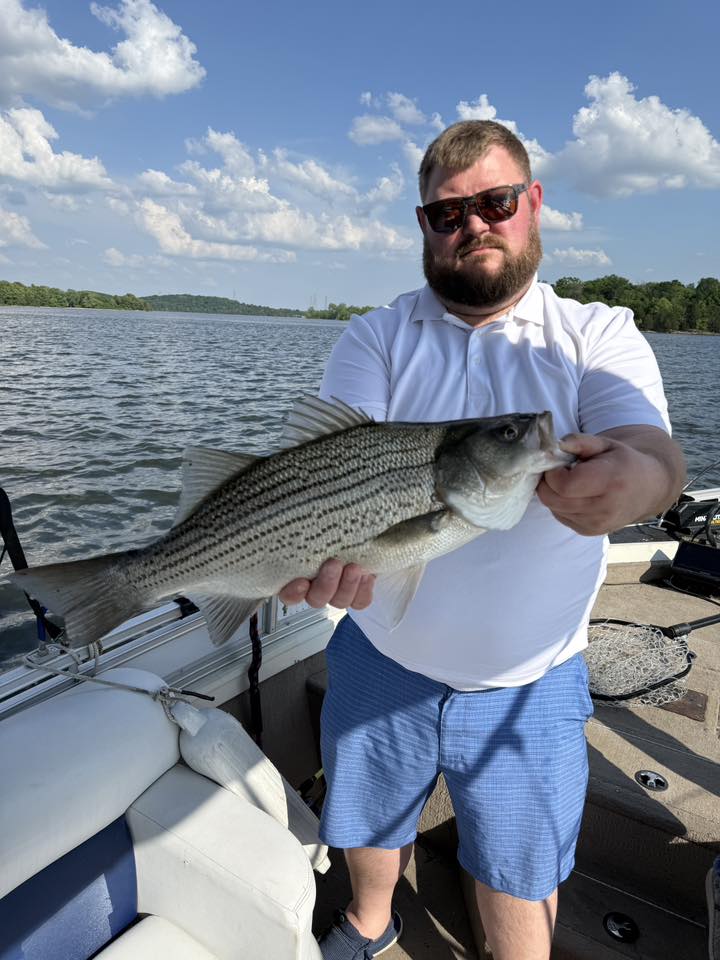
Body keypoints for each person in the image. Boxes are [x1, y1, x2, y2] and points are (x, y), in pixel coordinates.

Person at [280, 120, 686, 960]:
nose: (474, 224)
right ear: (424, 225)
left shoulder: (597, 335)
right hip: (380, 650)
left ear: (533, 205)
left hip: (531, 677)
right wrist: (305, 551)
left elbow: (652, 451)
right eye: (447, 213)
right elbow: (328, 474)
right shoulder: (376, 336)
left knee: (516, 867)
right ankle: (368, 921)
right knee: (364, 814)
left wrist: (637, 484)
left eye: (496, 202)